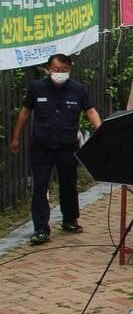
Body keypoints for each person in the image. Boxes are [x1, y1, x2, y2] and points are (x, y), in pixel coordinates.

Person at [8, 54, 101, 245]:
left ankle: (70, 219)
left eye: (64, 70)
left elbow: (91, 111)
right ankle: (41, 228)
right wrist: (16, 137)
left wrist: (101, 131)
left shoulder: (78, 90)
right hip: (41, 147)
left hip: (67, 146)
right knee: (40, 187)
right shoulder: (37, 88)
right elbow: (25, 112)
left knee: (68, 184)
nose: (60, 73)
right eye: (56, 70)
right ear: (48, 69)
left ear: (69, 69)